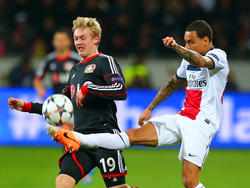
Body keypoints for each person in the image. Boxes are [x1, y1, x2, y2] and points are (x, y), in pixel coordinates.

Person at [46, 20, 229, 188]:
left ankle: (75, 137)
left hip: (201, 124)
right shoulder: (187, 60)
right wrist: (150, 108)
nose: (188, 46)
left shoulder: (218, 55)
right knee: (132, 136)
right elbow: (172, 84)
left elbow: (202, 62)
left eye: (191, 42)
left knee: (189, 182)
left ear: (206, 40)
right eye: (186, 42)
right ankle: (77, 137)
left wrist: (176, 46)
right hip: (183, 118)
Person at [8, 17, 136, 188]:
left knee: (117, 187)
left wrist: (88, 89)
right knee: (63, 182)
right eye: (76, 38)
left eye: (83, 38)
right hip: (81, 138)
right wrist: (27, 107)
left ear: (95, 39)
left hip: (105, 138)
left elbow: (121, 90)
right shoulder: (75, 70)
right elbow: (59, 105)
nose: (78, 42)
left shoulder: (105, 61)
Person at [34, 28, 81, 98]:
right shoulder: (49, 60)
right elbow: (37, 79)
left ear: (69, 41)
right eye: (57, 40)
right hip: (57, 99)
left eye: (62, 40)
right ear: (53, 42)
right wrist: (40, 89)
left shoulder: (77, 59)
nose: (60, 43)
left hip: (75, 100)